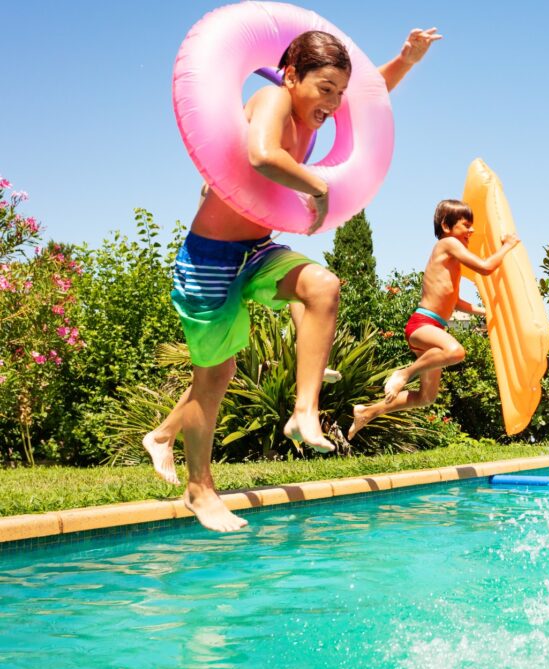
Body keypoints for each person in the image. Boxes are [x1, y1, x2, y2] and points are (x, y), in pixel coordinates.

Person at [144, 28, 441, 532]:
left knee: (322, 285)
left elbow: (370, 102)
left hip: (256, 249)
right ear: (291, 75)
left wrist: (405, 61)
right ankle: (198, 487)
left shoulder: (315, 114)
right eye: (325, 89)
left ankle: (304, 411)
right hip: (210, 257)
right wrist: (317, 185)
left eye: (339, 93)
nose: (334, 102)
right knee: (215, 376)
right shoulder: (272, 99)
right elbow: (261, 154)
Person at [347, 200, 519, 439]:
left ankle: (367, 412)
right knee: (456, 352)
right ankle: (404, 374)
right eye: (466, 225)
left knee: (425, 398)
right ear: (447, 226)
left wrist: (486, 312)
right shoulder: (448, 244)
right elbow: (486, 267)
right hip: (422, 324)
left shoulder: (452, 258)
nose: (471, 230)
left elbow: (455, 302)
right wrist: (507, 246)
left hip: (433, 327)